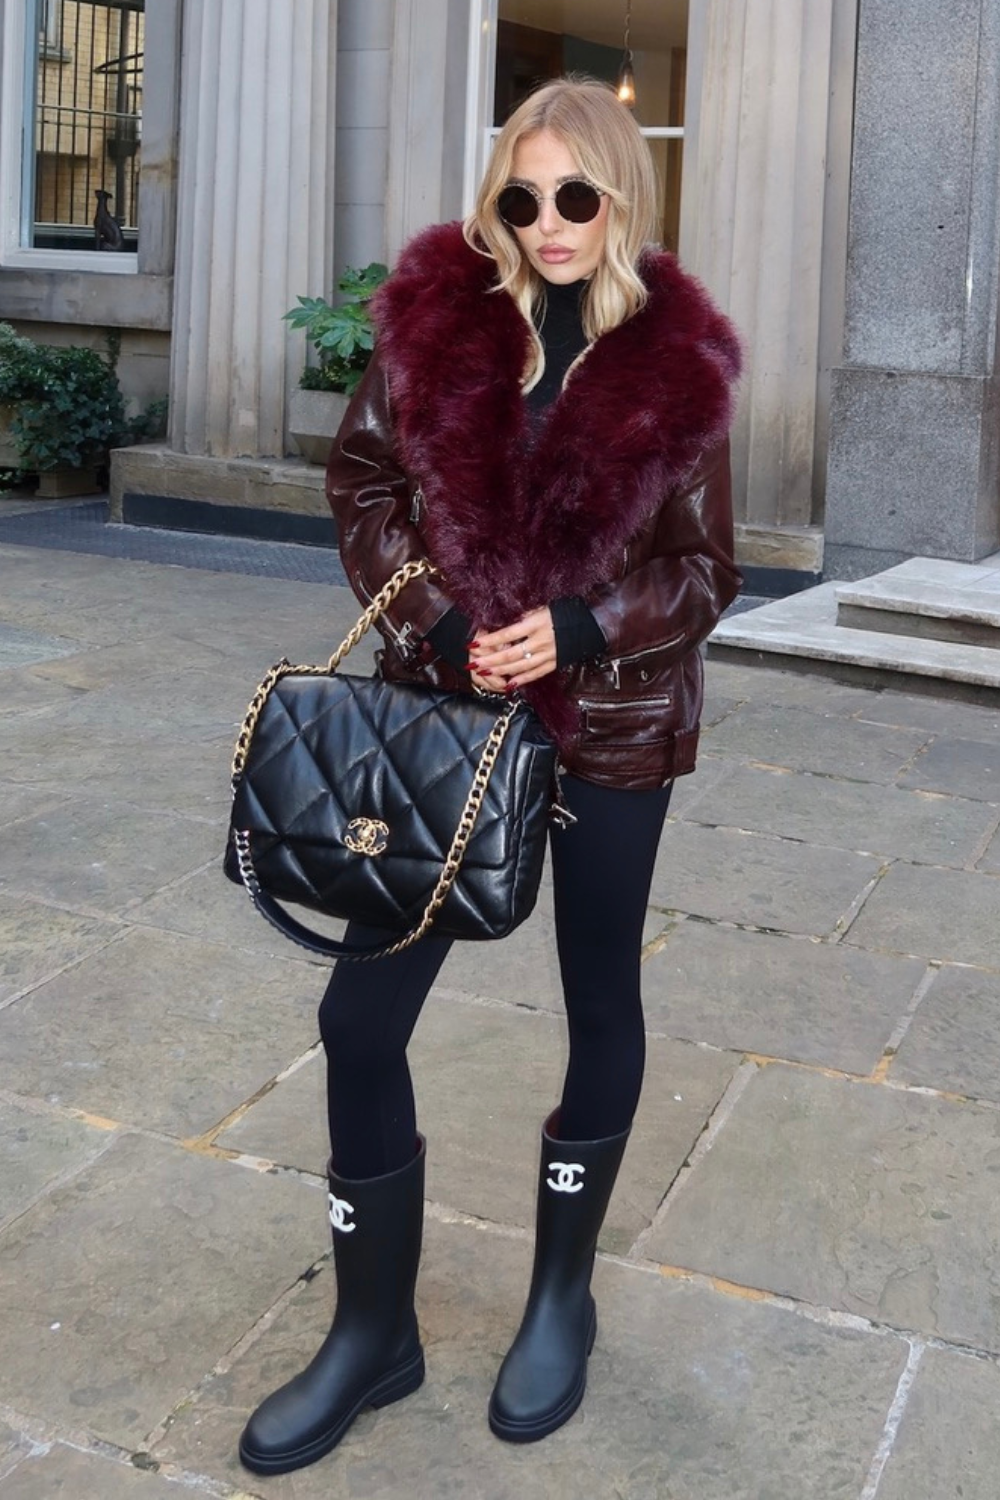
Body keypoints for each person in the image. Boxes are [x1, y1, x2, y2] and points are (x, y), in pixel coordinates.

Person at [238, 76, 741, 1477]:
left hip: (614, 730)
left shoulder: (682, 367)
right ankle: (371, 1333)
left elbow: (708, 572)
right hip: (443, 723)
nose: (548, 222)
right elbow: (364, 485)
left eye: (576, 195)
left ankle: (561, 1297)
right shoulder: (438, 325)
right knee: (359, 1019)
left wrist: (580, 628)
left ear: (620, 196)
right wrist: (437, 621)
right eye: (522, 196)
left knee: (601, 1004)